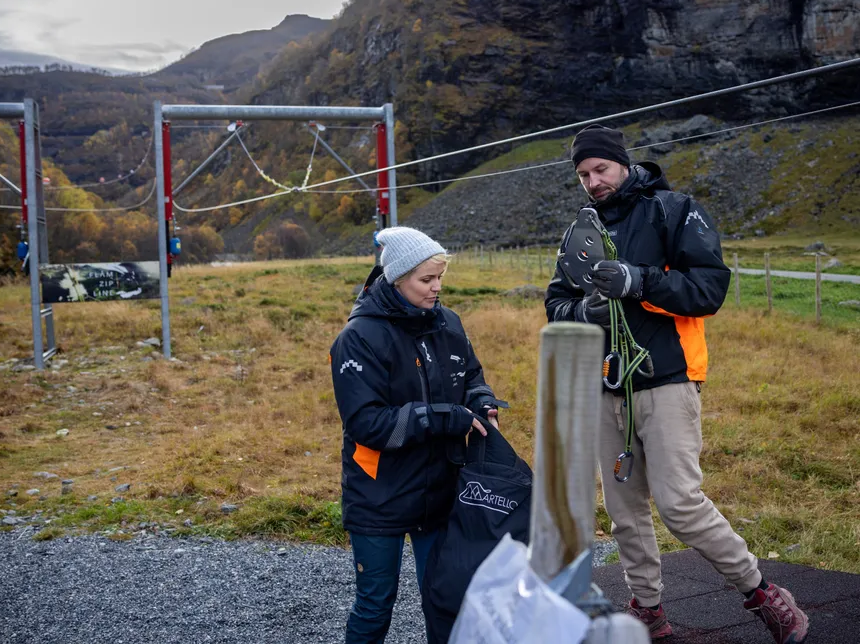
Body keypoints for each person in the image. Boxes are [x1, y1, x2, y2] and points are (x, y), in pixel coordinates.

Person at [544, 125, 809, 644]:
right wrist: (584, 309)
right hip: (605, 385)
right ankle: (649, 612)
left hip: (668, 379)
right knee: (624, 514)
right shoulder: (581, 229)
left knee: (680, 503)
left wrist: (638, 281)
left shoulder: (673, 209)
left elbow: (710, 289)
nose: (593, 181)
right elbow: (555, 301)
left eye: (600, 169)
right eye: (582, 175)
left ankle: (762, 594)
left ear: (623, 163)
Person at [330, 226, 506, 644]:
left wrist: (483, 403)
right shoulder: (357, 339)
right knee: (374, 606)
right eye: (427, 279)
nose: (437, 288)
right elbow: (367, 425)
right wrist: (447, 417)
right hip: (379, 496)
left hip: (441, 491)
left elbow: (472, 377)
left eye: (440, 277)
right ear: (396, 277)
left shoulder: (448, 322)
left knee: (445, 599)